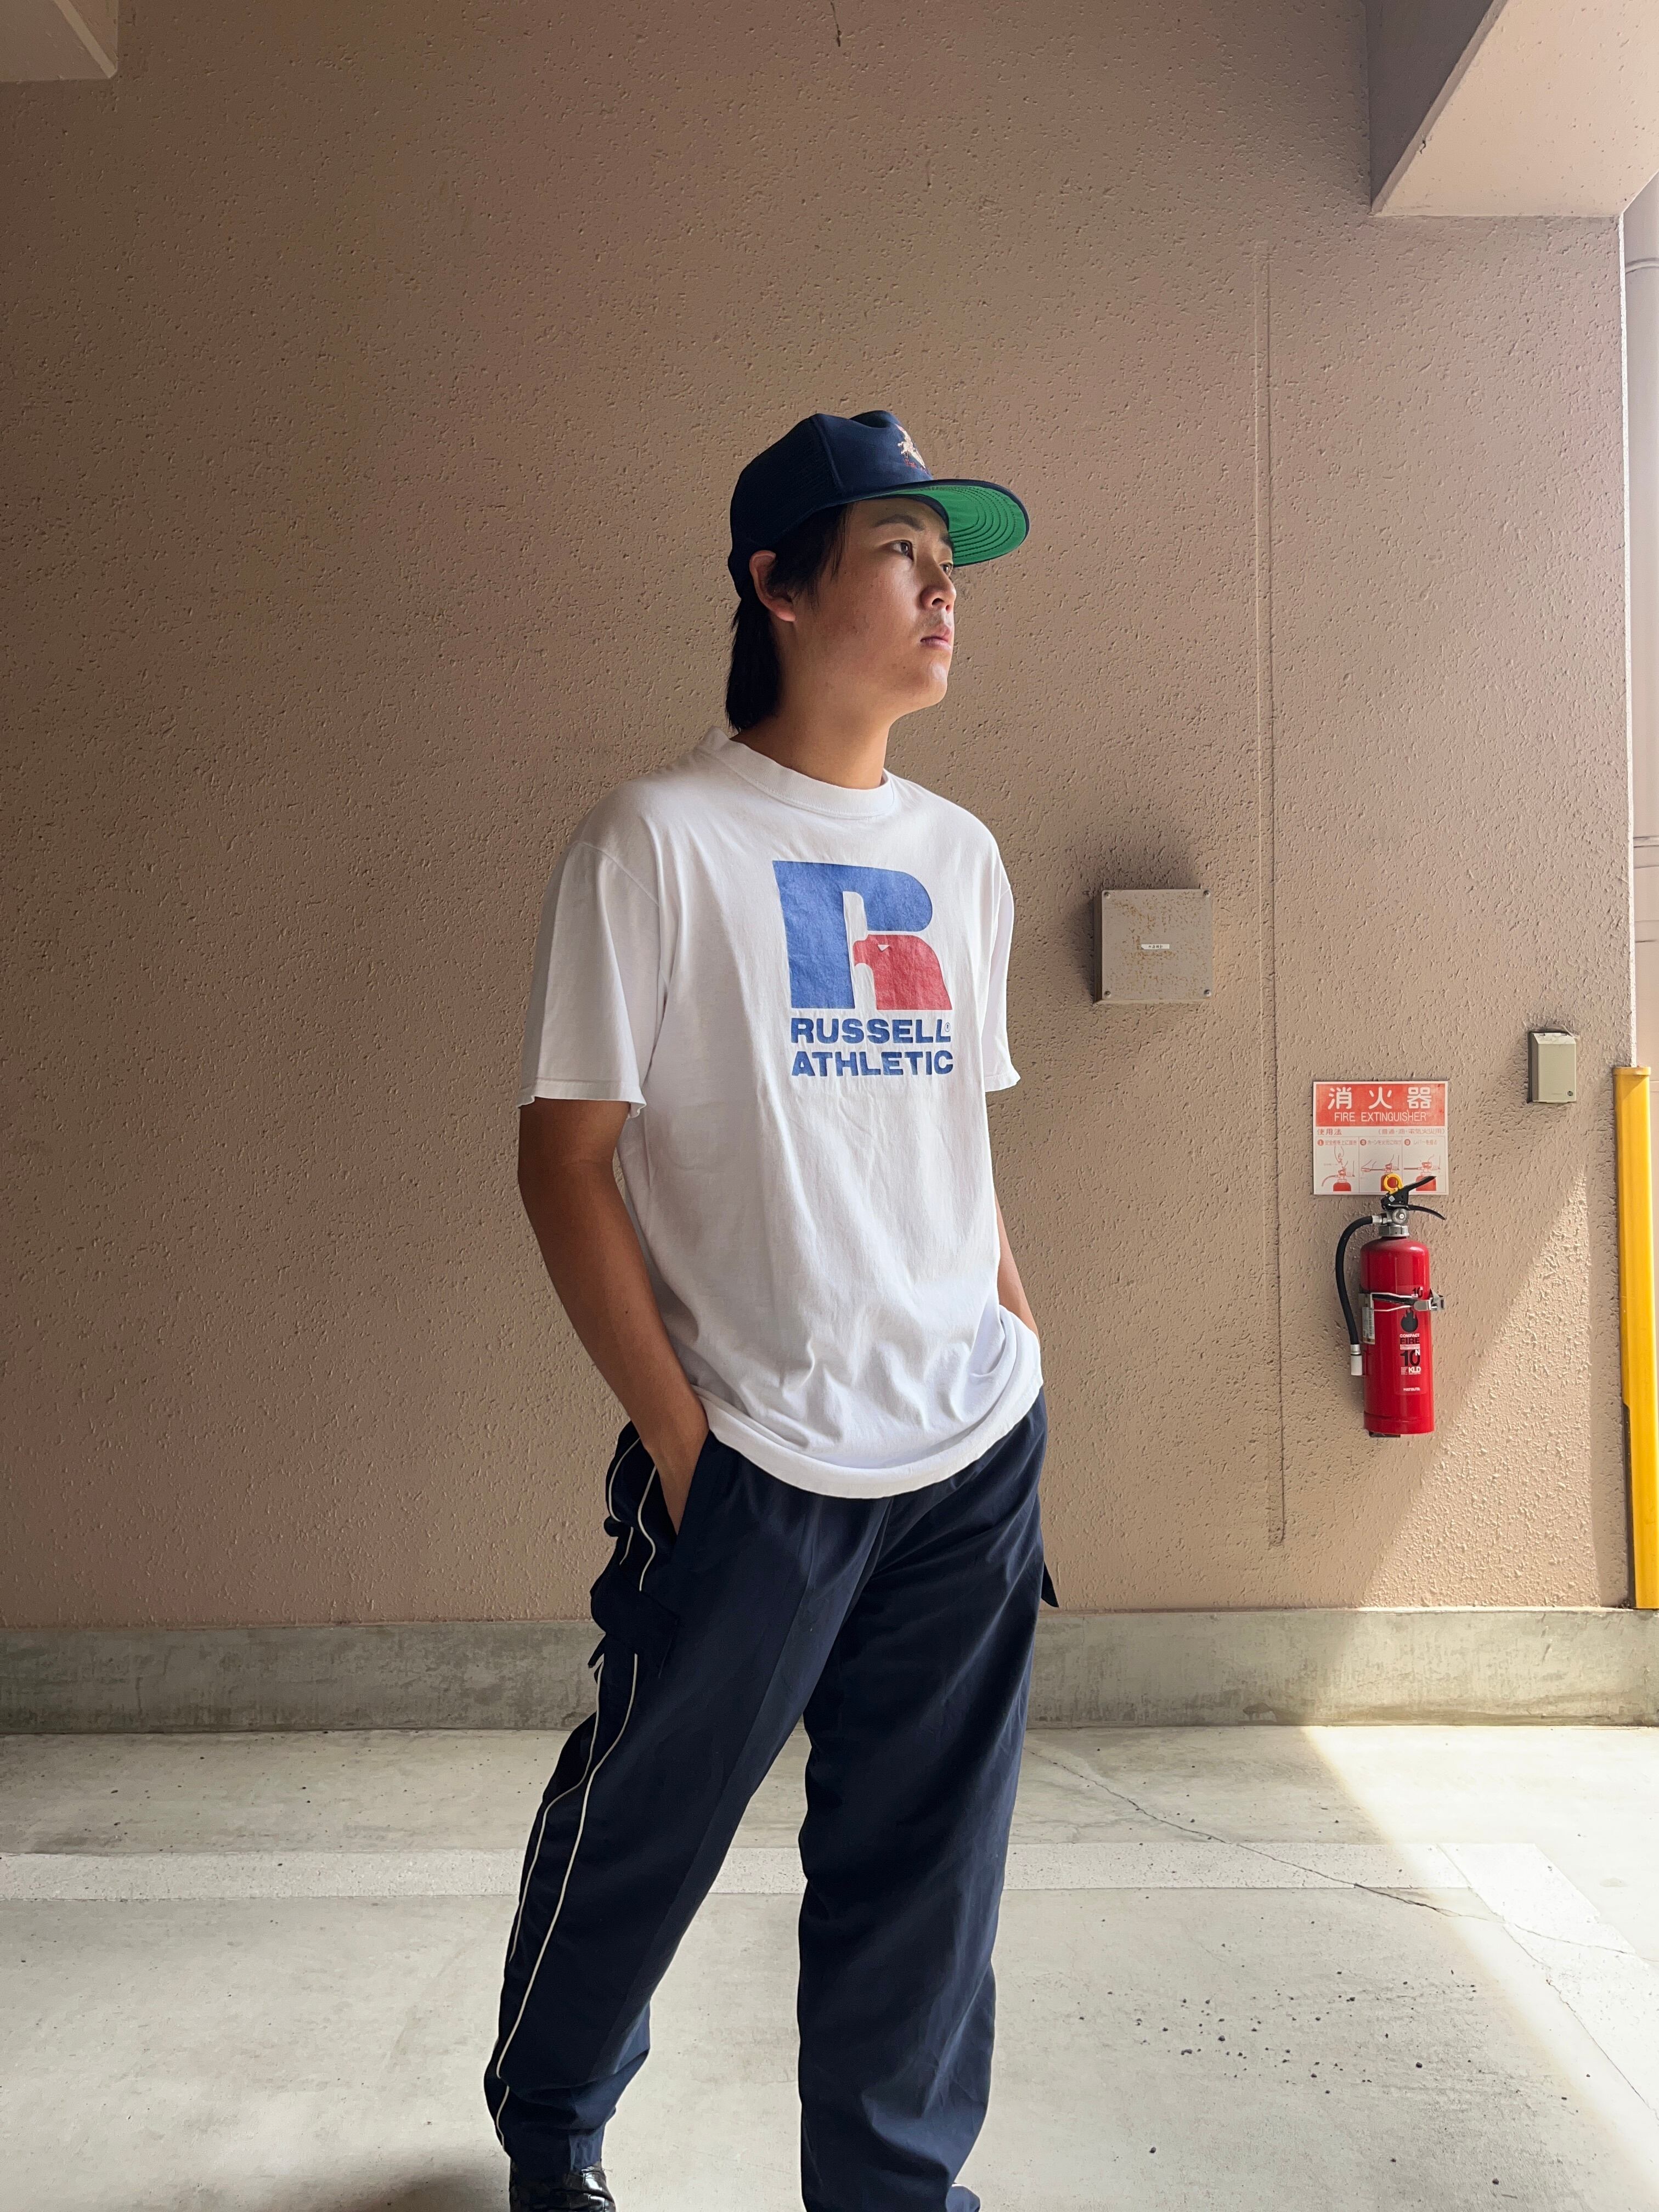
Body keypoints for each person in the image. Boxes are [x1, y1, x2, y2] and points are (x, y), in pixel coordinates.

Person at [487, 408, 1055, 2212]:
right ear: (778, 585)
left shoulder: (960, 856)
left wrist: (1018, 1356)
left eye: (949, 565)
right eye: (901, 553)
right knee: (646, 1832)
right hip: (755, 1459)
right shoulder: (653, 842)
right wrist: (685, 1444)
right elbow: (566, 1163)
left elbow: (948, 1148)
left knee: (927, 1873)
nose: (943, 592)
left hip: (967, 1449)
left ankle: (894, 2192)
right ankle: (554, 2127)